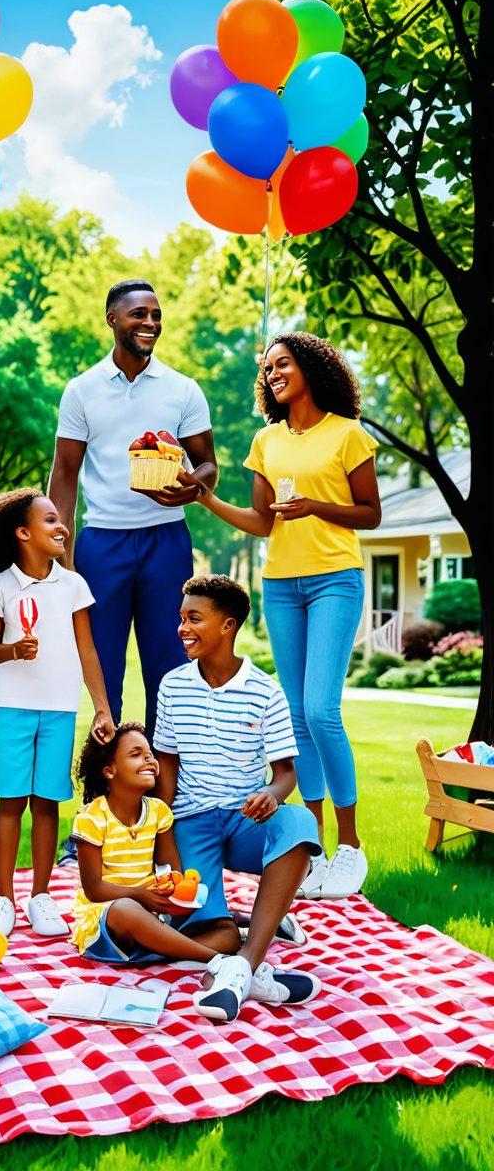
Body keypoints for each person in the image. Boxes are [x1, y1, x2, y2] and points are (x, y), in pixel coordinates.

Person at [192, 334, 381, 899]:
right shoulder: (266, 440)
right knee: (297, 719)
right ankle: (316, 848)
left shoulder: (347, 434)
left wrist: (315, 507)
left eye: (284, 364)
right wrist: (203, 499)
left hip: (334, 580)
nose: (274, 373)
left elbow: (370, 514)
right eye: (268, 368)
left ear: (311, 368)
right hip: (281, 583)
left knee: (322, 709)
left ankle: (350, 846)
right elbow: (261, 521)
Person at [48, 279, 218, 743]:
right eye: (138, 314)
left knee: (170, 666)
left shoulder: (183, 389)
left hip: (167, 539)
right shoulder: (81, 390)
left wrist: (193, 490)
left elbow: (208, 464)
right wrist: (61, 555)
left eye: (156, 315)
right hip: (102, 542)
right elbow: (64, 473)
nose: (150, 323)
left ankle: (164, 792)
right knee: (103, 668)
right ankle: (105, 798)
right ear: (113, 320)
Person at [152, 574, 323, 1022]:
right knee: (214, 934)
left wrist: (271, 792)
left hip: (247, 823)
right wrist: (162, 834)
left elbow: (286, 773)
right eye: (181, 618)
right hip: (191, 822)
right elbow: (165, 765)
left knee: (301, 824)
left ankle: (244, 966)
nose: (182, 628)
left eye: (194, 618)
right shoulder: (172, 685)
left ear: (227, 626)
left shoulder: (265, 691)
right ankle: (250, 938)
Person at [72, 720, 320, 1024]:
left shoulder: (159, 813)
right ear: (109, 771)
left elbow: (171, 871)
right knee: (126, 909)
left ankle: (220, 958)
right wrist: (142, 896)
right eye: (136, 754)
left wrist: (175, 891)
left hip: (152, 917)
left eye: (150, 753)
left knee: (227, 934)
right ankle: (226, 965)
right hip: (109, 919)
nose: (150, 760)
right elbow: (94, 889)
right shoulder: (91, 818)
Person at [0, 488, 114, 938]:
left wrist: (102, 707)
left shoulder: (73, 585)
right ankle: (4, 898)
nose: (60, 526)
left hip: (59, 708)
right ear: (23, 533)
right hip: (13, 707)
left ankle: (41, 896)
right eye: (49, 520)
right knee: (11, 801)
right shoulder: (0, 584)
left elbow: (87, 648)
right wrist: (12, 650)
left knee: (47, 803)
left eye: (59, 518)